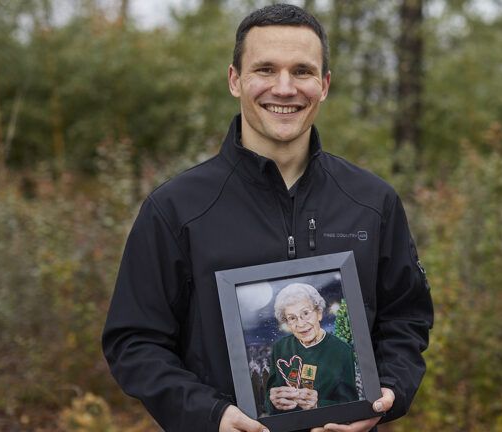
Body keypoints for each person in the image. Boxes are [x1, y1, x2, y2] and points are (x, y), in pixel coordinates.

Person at [102, 4, 433, 432]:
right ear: (235, 80)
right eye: (265, 69)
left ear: (324, 84)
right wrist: (211, 415)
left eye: (301, 71)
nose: (284, 88)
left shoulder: (373, 202)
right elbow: (134, 342)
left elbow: (406, 320)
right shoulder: (175, 210)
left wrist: (387, 391)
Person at [265, 283, 358, 414]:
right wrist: (273, 402)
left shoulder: (342, 350)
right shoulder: (280, 348)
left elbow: (351, 406)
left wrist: (318, 405)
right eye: (292, 318)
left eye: (306, 313)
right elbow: (268, 400)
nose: (301, 324)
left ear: (319, 313)